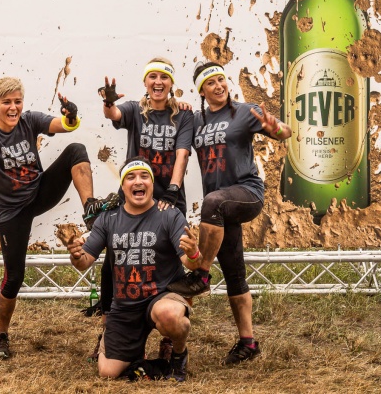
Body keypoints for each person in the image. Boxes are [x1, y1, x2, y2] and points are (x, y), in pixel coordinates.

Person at [0, 76, 111, 360]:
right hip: (12, 213)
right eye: (6, 102)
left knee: (76, 150)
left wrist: (71, 115)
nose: (13, 108)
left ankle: (90, 211)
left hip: (39, 192)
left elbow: (64, 125)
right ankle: (1, 336)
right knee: (14, 278)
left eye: (17, 101)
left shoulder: (29, 120)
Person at [167, 61, 292, 366]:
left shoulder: (245, 112)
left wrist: (274, 126)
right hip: (220, 211)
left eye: (221, 79)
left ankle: (201, 274)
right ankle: (248, 343)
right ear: (202, 91)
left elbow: (285, 133)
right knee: (235, 272)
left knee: (212, 202)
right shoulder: (196, 120)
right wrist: (177, 105)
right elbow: (171, 125)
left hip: (246, 193)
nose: (219, 85)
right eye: (211, 82)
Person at [87, 57, 194, 358]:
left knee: (177, 265)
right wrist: (108, 102)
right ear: (145, 82)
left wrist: (173, 191)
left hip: (169, 198)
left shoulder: (183, 115)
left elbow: (182, 153)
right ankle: (109, 330)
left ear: (171, 83)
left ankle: (170, 338)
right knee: (115, 262)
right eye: (152, 77)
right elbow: (114, 113)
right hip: (134, 195)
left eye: (164, 77)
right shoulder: (136, 109)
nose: (158, 82)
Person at [69, 158, 202, 381]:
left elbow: (191, 264)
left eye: (144, 176)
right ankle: (140, 357)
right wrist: (76, 256)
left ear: (152, 184)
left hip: (162, 296)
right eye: (130, 177)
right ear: (123, 186)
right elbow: (85, 261)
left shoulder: (169, 215)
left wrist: (193, 253)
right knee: (108, 372)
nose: (138, 181)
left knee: (169, 314)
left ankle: (178, 355)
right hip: (125, 306)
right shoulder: (108, 219)